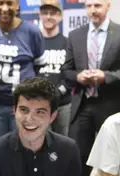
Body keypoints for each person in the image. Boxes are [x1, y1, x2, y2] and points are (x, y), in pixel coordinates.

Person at [64, 0, 120, 176]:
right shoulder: (75, 35)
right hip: (83, 104)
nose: (92, 10)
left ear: (108, 6)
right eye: (89, 6)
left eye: (97, 5)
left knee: (114, 155)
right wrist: (78, 76)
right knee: (79, 156)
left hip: (112, 104)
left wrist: (105, 77)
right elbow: (66, 70)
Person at [0, 0, 47, 145]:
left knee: (26, 151)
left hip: (25, 106)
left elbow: (40, 67)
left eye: (9, 3)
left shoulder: (32, 32)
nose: (4, 8)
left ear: (17, 5)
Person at [38, 0, 72, 136]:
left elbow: (71, 73)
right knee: (40, 142)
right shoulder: (34, 41)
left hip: (62, 104)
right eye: (45, 13)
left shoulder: (68, 42)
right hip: (39, 104)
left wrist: (57, 93)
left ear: (60, 16)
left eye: (53, 13)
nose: (48, 17)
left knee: (64, 143)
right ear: (39, 15)